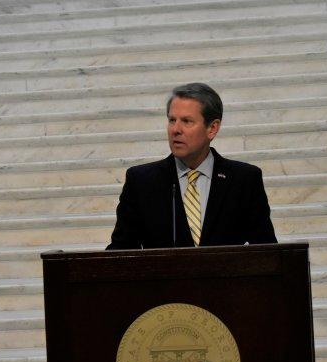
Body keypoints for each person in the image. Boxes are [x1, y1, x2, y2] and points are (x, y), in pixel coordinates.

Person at [107, 83, 277, 249]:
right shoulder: (142, 182)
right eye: (172, 120)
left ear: (212, 128)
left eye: (187, 121)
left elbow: (268, 252)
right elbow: (120, 252)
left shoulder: (244, 180)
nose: (175, 129)